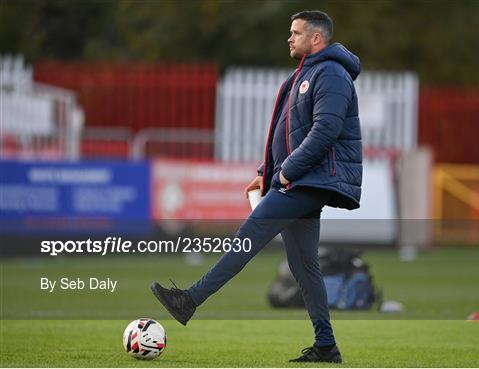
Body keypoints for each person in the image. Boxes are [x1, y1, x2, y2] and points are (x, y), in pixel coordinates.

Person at [151, 10, 362, 364]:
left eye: (296, 33)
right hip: (298, 178)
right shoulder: (303, 75)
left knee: (245, 240)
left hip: (306, 181)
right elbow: (289, 133)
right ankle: (326, 345)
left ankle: (188, 301)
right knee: (305, 268)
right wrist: (267, 171)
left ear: (316, 39)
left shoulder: (331, 74)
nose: (289, 38)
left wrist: (284, 175)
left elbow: (324, 132)